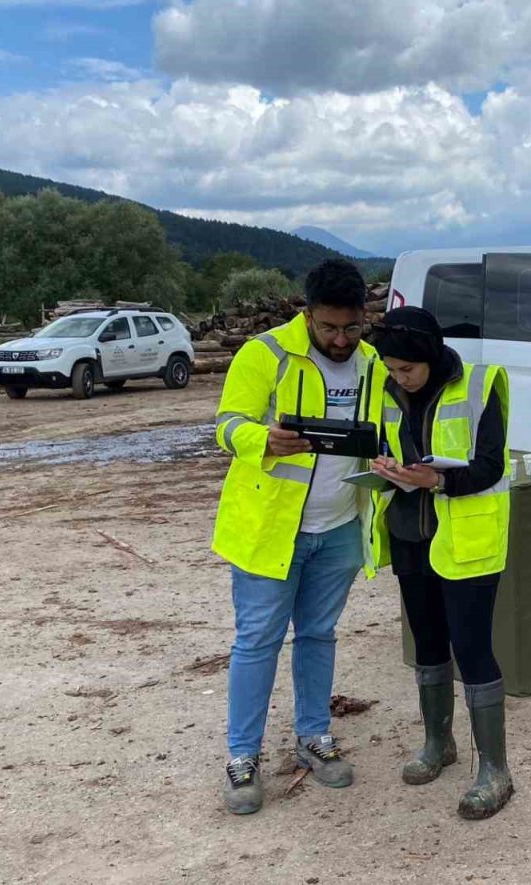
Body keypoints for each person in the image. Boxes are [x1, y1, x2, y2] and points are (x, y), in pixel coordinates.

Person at [212, 259, 385, 815]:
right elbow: (225, 424)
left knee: (319, 634)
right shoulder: (266, 354)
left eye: (351, 328)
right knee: (257, 641)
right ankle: (243, 758)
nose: (340, 339)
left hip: (338, 529)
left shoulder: (372, 363)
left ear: (363, 318)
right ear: (306, 313)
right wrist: (262, 438)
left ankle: (314, 736)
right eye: (329, 327)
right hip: (270, 531)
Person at [368, 306, 514, 820]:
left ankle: (494, 770)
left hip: (466, 541)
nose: (397, 377)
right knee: (427, 645)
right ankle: (439, 744)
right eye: (391, 368)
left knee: (472, 650)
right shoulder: (387, 390)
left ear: (429, 356)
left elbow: (493, 466)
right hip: (410, 535)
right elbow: (386, 445)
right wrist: (384, 467)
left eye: (405, 369)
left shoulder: (480, 385)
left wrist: (440, 481)